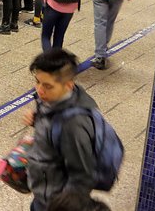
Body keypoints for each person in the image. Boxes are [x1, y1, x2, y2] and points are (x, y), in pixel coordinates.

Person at [22, 49, 104, 211]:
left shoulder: (74, 124)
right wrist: (38, 119)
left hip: (55, 203)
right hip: (43, 193)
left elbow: (82, 177)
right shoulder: (53, 99)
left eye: (47, 86)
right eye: (37, 82)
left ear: (68, 85)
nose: (40, 90)